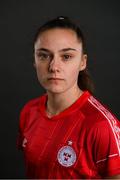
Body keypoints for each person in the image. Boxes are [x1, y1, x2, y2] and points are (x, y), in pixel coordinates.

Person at [17, 16, 120, 179]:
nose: (53, 67)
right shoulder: (29, 111)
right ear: (34, 61)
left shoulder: (101, 126)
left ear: (82, 62)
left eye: (66, 57)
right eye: (44, 55)